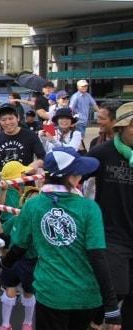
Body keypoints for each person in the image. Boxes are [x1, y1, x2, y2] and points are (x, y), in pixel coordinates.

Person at [2, 147, 122, 330]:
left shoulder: (33, 205)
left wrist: (6, 262)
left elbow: (19, 246)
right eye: (79, 172)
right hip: (86, 296)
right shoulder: (89, 208)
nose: (81, 176)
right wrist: (111, 306)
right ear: (70, 176)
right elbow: (98, 257)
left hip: (51, 293)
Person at [86, 102, 133, 328]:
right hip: (111, 234)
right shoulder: (103, 153)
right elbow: (75, 175)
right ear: (120, 128)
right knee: (115, 290)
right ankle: (94, 323)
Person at [0, 188, 39, 330]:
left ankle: (27, 323)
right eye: (30, 197)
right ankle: (6, 324)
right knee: (9, 289)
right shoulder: (16, 218)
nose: (32, 200)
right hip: (13, 259)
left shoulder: (41, 222)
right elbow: (2, 233)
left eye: (37, 198)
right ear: (24, 201)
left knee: (29, 292)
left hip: (31, 262)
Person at [0, 104, 45, 171]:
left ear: (17, 118)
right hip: (5, 180)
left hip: (26, 178)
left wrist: (37, 164)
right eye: (3, 120)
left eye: (11, 118)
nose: (7, 122)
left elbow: (43, 158)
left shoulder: (31, 135)